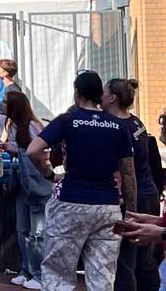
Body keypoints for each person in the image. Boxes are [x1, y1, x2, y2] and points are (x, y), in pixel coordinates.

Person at [27, 71, 134, 291]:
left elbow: (33, 151)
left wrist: (49, 175)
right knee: (102, 275)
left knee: (59, 273)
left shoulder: (67, 121)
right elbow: (128, 172)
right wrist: (130, 210)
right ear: (100, 95)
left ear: (77, 93)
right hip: (108, 206)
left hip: (71, 202)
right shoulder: (119, 126)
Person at [102, 79, 161, 291]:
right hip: (149, 194)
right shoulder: (136, 122)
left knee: (124, 260)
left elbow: (127, 172)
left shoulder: (118, 127)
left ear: (112, 98)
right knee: (144, 259)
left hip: (134, 197)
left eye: (103, 93)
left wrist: (130, 209)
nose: (100, 97)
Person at [2, 91, 51, 289]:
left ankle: (39, 274)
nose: (2, 104)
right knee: (22, 229)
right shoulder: (12, 126)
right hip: (23, 184)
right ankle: (26, 269)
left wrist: (11, 147)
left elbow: (38, 150)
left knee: (38, 231)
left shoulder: (32, 125)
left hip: (36, 184)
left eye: (6, 102)